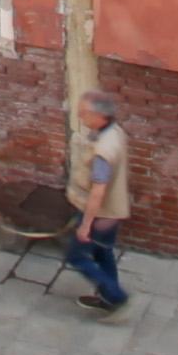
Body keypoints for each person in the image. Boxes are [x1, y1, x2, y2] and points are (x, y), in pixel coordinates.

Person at [60, 96, 134, 315]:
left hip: (99, 213)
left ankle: (117, 297)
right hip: (114, 210)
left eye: (85, 113)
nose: (80, 117)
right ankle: (108, 298)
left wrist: (86, 225)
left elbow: (98, 190)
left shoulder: (103, 150)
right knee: (103, 252)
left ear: (100, 116)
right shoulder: (114, 132)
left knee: (77, 256)